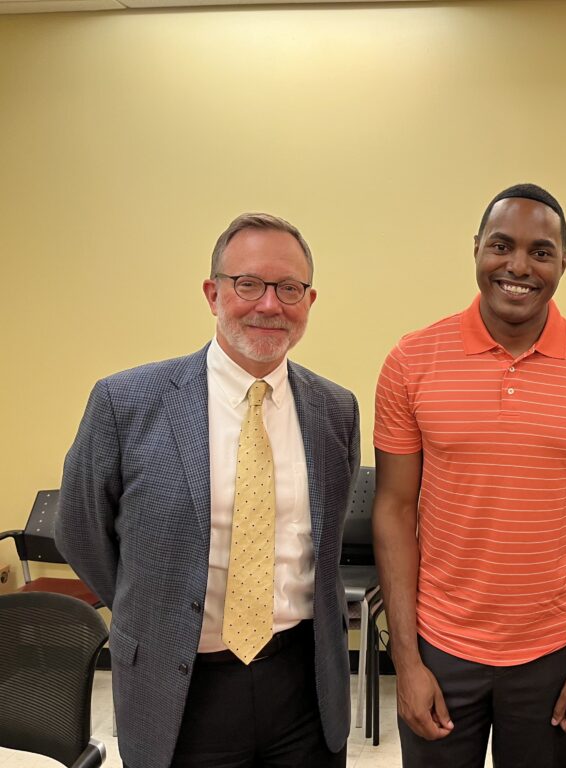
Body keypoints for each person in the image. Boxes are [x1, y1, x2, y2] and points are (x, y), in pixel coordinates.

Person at [56, 213, 359, 768]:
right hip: (180, 691)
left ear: (309, 301)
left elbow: (328, 542)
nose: (270, 305)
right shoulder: (126, 403)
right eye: (248, 284)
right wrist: (152, 605)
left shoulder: (335, 411)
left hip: (304, 689)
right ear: (212, 292)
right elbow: (78, 530)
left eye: (289, 288)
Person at [372, 183, 566, 768]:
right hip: (440, 645)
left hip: (554, 649)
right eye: (501, 245)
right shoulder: (411, 361)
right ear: (476, 250)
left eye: (541, 252)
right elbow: (393, 509)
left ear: (564, 263)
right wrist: (407, 664)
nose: (518, 266)